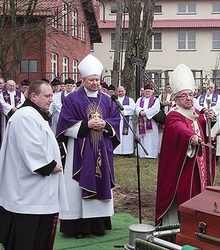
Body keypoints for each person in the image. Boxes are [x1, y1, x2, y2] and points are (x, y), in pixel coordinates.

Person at [56, 54, 120, 238]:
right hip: (80, 151)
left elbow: (115, 120)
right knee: (76, 188)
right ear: (82, 80)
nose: (95, 83)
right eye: (91, 80)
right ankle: (78, 227)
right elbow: (64, 123)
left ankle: (98, 225)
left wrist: (106, 125)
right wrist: (86, 125)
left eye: (97, 79)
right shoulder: (72, 99)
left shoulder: (107, 100)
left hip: (102, 149)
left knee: (100, 181)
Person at [0, 80, 68, 249]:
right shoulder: (25, 116)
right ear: (33, 96)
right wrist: (52, 166)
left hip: (36, 194)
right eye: (47, 96)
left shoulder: (34, 115)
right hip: (27, 195)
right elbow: (30, 148)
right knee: (26, 240)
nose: (51, 99)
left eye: (52, 95)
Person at [155, 63, 215, 225]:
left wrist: (211, 118)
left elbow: (205, 127)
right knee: (184, 194)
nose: (189, 98)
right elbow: (178, 129)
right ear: (175, 98)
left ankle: (198, 222)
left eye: (190, 95)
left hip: (198, 164)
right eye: (184, 96)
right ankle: (180, 225)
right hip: (181, 166)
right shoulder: (174, 115)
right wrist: (191, 137)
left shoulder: (196, 113)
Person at [194, 82, 220, 160]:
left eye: (211, 88)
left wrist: (211, 111)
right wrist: (204, 110)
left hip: (213, 118)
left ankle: (215, 155)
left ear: (214, 88)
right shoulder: (200, 97)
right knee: (204, 135)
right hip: (203, 118)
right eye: (208, 88)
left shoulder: (218, 97)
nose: (209, 89)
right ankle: (205, 153)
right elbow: (197, 105)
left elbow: (219, 105)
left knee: (214, 135)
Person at [135, 84, 160, 158]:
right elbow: (136, 107)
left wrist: (146, 113)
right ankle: (142, 154)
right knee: (142, 138)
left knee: (152, 138)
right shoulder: (140, 100)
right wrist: (140, 111)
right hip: (141, 122)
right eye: (146, 91)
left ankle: (152, 154)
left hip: (151, 122)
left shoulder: (156, 99)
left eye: (149, 91)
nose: (147, 93)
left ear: (152, 92)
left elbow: (155, 108)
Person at [113, 86, 136, 156]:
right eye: (119, 91)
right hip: (117, 121)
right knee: (118, 135)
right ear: (117, 92)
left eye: (122, 91)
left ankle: (127, 152)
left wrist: (121, 109)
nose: (120, 93)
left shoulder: (130, 100)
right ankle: (117, 151)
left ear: (125, 91)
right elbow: (112, 109)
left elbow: (132, 109)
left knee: (126, 137)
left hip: (126, 120)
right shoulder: (114, 100)